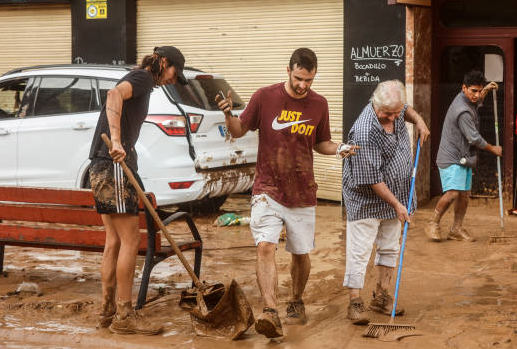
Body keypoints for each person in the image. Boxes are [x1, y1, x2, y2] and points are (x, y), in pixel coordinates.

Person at [216, 48, 357, 338]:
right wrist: (228, 114)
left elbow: (322, 143)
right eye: (299, 78)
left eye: (309, 80)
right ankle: (270, 311)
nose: (303, 85)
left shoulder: (319, 104)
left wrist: (339, 149)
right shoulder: (264, 97)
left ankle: (295, 299)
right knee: (265, 245)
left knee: (301, 254)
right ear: (289, 70)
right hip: (267, 187)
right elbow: (239, 129)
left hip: (303, 191)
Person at [88, 46, 188, 335]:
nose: (172, 79)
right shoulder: (143, 78)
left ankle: (108, 311)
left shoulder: (140, 80)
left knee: (114, 241)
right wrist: (118, 141)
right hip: (114, 165)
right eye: (173, 73)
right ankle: (124, 316)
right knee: (131, 241)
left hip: (103, 165)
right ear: (164, 63)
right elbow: (113, 95)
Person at [342, 80, 430, 325]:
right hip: (367, 198)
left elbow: (406, 110)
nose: (393, 118)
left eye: (396, 113)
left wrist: (419, 121)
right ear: (375, 104)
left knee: (390, 247)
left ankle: (381, 296)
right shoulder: (364, 130)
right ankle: (355, 302)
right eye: (387, 114)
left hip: (397, 194)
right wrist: (398, 205)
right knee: (360, 251)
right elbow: (373, 180)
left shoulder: (395, 108)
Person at [425, 71, 501, 242]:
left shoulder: (467, 98)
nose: (477, 95)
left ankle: (456, 229)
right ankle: (433, 223)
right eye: (473, 91)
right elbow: (473, 138)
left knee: (464, 194)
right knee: (452, 193)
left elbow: (478, 99)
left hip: (464, 156)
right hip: (452, 157)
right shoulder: (463, 110)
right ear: (463, 88)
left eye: (479, 91)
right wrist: (493, 149)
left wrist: (486, 90)